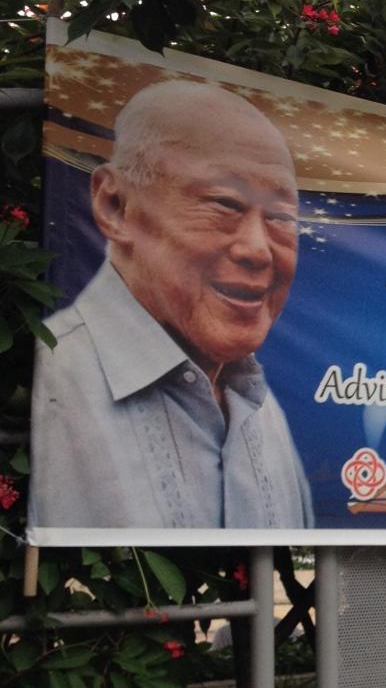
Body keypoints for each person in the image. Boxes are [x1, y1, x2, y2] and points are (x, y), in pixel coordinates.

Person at [31, 79, 313, 530]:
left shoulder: (260, 408)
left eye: (280, 217)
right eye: (225, 204)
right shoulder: (57, 383)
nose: (258, 250)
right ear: (116, 205)